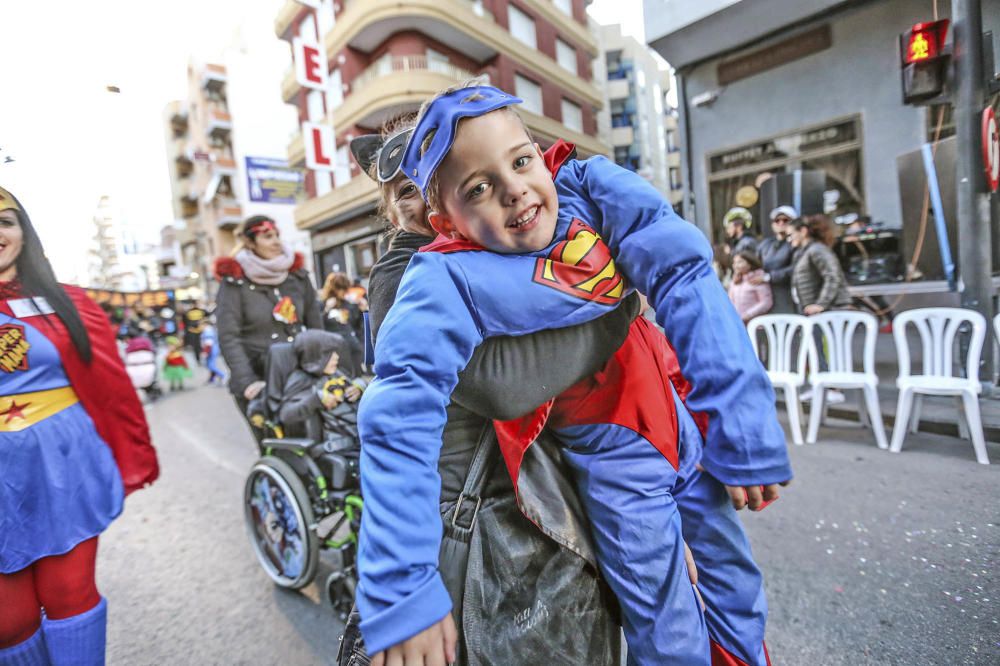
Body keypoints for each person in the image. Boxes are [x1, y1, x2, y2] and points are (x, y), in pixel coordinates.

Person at [356, 84, 790, 665]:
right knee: (669, 631)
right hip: (592, 466)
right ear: (439, 215)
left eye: (521, 159)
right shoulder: (433, 274)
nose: (514, 189)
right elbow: (413, 407)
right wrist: (401, 587)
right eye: (477, 186)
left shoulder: (582, 186)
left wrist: (737, 426)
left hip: (671, 421)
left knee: (734, 592)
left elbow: (684, 272)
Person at [339, 116, 650, 666]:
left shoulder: (481, 247)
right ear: (392, 210)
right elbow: (500, 385)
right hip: (477, 515)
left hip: (534, 497)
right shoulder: (407, 271)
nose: (420, 200)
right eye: (406, 192)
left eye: (430, 180)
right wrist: (615, 309)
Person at [0, 186, 159, 664]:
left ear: (23, 233)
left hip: (62, 469)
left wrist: (132, 452)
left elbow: (109, 385)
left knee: (70, 596)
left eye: (5, 221)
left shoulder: (64, 302)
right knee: (10, 621)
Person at [214, 216, 322, 442]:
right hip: (259, 379)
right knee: (279, 448)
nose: (276, 242)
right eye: (267, 236)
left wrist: (322, 365)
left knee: (315, 444)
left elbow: (316, 326)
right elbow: (228, 336)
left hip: (298, 375)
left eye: (277, 236)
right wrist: (247, 382)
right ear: (250, 243)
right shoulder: (234, 282)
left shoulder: (297, 276)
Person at [789, 214, 852, 403]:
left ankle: (834, 387)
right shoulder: (806, 251)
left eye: (792, 233)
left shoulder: (817, 250)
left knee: (828, 349)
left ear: (803, 231)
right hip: (814, 312)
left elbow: (833, 276)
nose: (789, 238)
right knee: (816, 350)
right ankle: (821, 386)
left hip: (828, 312)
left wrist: (821, 304)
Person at [278, 330, 367, 448]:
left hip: (361, 435)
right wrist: (316, 399)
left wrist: (359, 387)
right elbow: (286, 415)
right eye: (329, 353)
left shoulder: (334, 372)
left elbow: (354, 381)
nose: (336, 357)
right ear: (315, 355)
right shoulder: (300, 379)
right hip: (336, 446)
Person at [752, 205, 797, 314]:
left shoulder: (795, 244)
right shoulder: (765, 244)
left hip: (786, 294)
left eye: (785, 220)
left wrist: (769, 277)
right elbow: (754, 262)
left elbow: (796, 269)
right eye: (777, 220)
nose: (781, 223)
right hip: (764, 293)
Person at [318, 271, 364, 376]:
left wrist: (363, 311)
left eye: (345, 288)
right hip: (335, 351)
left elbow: (358, 326)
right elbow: (317, 326)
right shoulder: (322, 304)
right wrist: (326, 310)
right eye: (340, 288)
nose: (343, 292)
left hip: (352, 348)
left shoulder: (348, 304)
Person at [728, 250, 773, 323]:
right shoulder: (735, 281)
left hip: (756, 324)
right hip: (737, 323)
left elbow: (766, 302)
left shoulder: (758, 278)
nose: (736, 265)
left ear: (750, 264)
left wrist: (748, 315)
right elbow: (730, 300)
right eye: (734, 262)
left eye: (740, 262)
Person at [200, 320, 226, 385]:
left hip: (210, 349)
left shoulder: (208, 330)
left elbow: (209, 343)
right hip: (212, 349)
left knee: (210, 365)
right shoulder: (210, 330)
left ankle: (223, 375)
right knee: (210, 364)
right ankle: (212, 379)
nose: (200, 326)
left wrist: (205, 352)